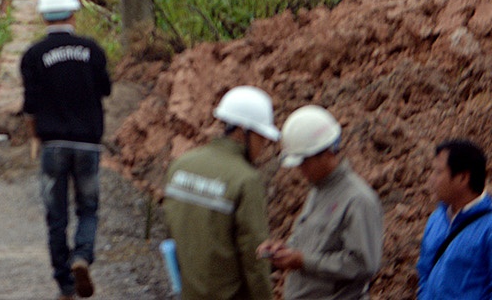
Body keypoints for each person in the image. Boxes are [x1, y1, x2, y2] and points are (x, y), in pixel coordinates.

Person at [21, 0, 112, 300]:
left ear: (44, 17)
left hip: (52, 146)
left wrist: (35, 138)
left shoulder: (33, 55)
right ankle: (81, 257)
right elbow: (105, 90)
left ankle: (65, 284)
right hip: (88, 145)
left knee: (56, 216)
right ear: (73, 14)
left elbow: (30, 107)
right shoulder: (93, 51)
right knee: (88, 208)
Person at [163, 85, 280, 300]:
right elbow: (255, 258)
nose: (263, 147)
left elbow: (170, 232)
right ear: (243, 131)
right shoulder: (246, 180)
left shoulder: (180, 165)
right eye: (261, 138)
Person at [261, 105, 383, 300]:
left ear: (327, 153)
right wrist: (283, 252)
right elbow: (311, 244)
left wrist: (303, 261)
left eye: (305, 161)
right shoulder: (318, 191)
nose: (300, 169)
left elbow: (364, 264)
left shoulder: (358, 199)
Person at [416, 139, 492, 300]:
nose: (431, 180)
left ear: (463, 177)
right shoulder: (437, 219)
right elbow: (425, 275)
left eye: (438, 172)